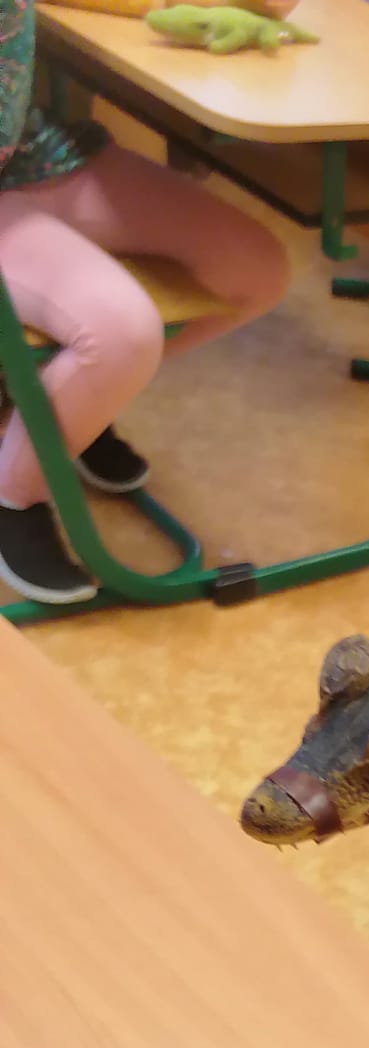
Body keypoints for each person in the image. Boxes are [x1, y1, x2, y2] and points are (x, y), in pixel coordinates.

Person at [0, 0, 291, 605]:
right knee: (120, 331)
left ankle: (66, 402)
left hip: (42, 156)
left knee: (255, 270)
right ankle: (12, 495)